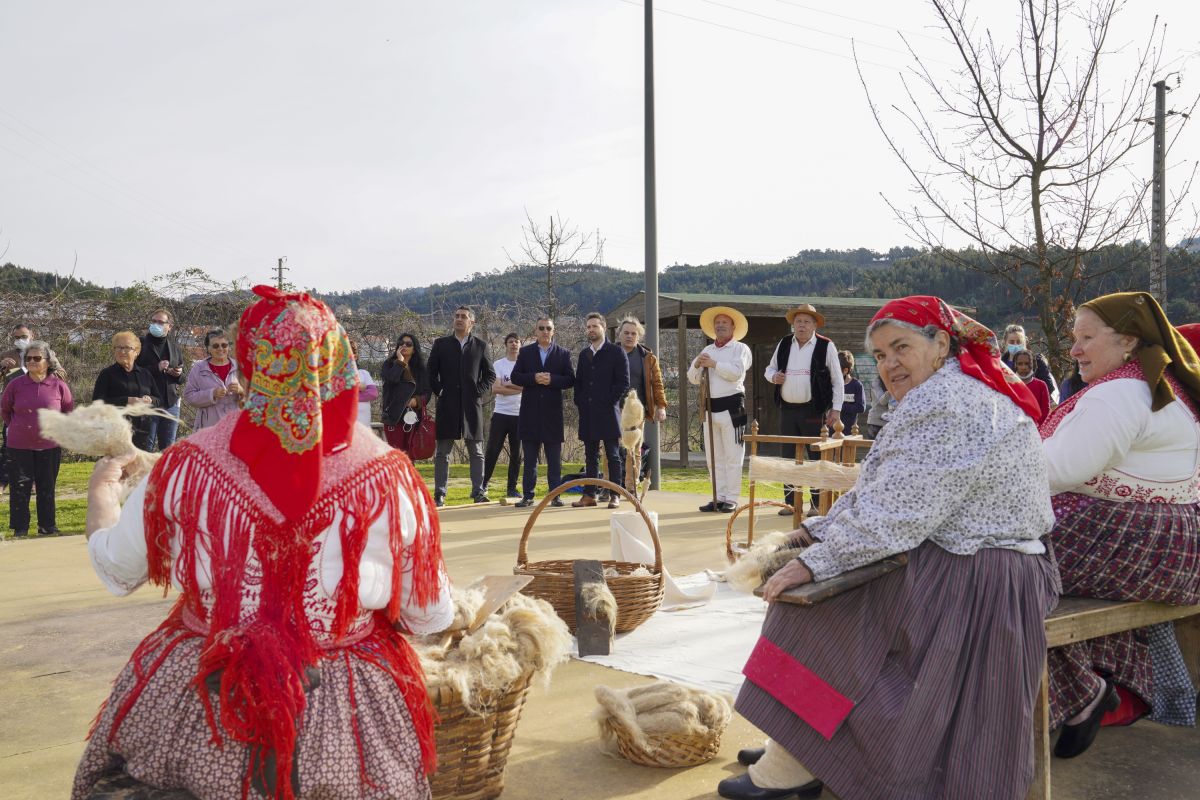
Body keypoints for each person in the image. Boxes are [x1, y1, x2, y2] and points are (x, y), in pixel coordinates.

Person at [73, 285, 453, 800]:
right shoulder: (389, 476)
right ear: (336, 361)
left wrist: (102, 495)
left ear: (249, 368)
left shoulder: (187, 463)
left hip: (205, 698)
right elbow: (429, 615)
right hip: (344, 711)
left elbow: (118, 571)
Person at [720, 295, 1058, 800]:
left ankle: (797, 761)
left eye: (901, 347)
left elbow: (898, 518)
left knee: (817, 610)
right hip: (966, 556)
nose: (889, 364)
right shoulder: (946, 392)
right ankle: (802, 745)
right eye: (879, 355)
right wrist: (817, 530)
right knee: (819, 594)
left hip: (984, 572)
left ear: (941, 343)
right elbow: (884, 490)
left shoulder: (947, 403)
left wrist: (814, 563)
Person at [1040, 291, 1200, 759]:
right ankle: (1090, 689)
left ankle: (1074, 692)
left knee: (989, 565)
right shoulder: (1159, 386)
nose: (1074, 350)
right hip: (1169, 547)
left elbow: (1052, 470)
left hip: (1128, 540)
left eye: (1086, 338)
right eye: (1073, 338)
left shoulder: (1121, 393)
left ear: (1129, 340)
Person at [764, 304, 843, 516]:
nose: (801, 325)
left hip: (814, 411)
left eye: (806, 321)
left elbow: (837, 380)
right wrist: (774, 377)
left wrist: (836, 409)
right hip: (787, 410)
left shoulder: (826, 346)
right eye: (798, 321)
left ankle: (816, 505)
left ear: (815, 324)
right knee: (789, 458)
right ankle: (790, 504)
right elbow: (769, 369)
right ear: (793, 324)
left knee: (815, 458)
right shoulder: (783, 344)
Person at [1, 341, 73, 536]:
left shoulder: (59, 385)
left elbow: (67, 411)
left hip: (50, 445)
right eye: (29, 358)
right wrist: (18, 427)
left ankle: (47, 526)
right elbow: (5, 410)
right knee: (19, 487)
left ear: (48, 362)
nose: (32, 361)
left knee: (46, 487)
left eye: (37, 358)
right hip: (19, 445)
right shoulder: (15, 384)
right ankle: (20, 528)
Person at [426, 306, 495, 506]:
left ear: (471, 322)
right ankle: (439, 494)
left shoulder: (480, 346)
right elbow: (430, 373)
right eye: (456, 316)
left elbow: (490, 375)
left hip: (472, 407)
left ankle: (478, 492)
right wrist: (439, 391)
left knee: (477, 452)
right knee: (442, 453)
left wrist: (478, 391)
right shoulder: (440, 344)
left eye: (463, 317)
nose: (459, 319)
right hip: (447, 406)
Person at [688, 306, 752, 514]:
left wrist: (714, 364)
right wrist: (698, 364)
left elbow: (736, 373)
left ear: (733, 326)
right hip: (710, 408)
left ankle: (732, 498)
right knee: (714, 458)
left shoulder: (740, 349)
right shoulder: (707, 350)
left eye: (725, 322)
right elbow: (692, 378)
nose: (721, 325)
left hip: (733, 406)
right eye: (718, 323)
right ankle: (718, 496)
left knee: (733, 455)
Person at [511, 317, 574, 508]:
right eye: (541, 328)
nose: (545, 331)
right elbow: (515, 377)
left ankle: (555, 495)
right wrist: (533, 377)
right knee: (529, 460)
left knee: (554, 460)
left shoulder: (563, 354)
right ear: (535, 331)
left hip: (553, 415)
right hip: (530, 414)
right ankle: (528, 495)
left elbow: (571, 379)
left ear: (553, 331)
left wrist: (552, 380)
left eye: (548, 328)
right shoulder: (525, 352)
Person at [572, 312, 630, 509]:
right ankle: (590, 495)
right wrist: (579, 401)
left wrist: (608, 401)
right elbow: (578, 382)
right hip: (588, 413)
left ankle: (615, 494)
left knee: (613, 455)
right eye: (588, 327)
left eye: (595, 326)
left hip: (608, 412)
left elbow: (623, 382)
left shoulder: (616, 352)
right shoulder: (584, 354)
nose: (591, 330)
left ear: (603, 327)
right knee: (590, 456)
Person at [617, 316, 667, 484]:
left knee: (636, 449)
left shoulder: (648, 357)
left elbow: (657, 383)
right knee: (612, 450)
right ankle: (611, 487)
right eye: (626, 333)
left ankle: (632, 485)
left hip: (637, 412)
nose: (630, 336)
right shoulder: (610, 354)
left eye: (633, 333)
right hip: (614, 409)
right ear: (619, 335)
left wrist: (661, 406)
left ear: (639, 336)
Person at [92, 332, 157, 451]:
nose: (122, 351)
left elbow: (159, 399)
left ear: (136, 352)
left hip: (142, 431)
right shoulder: (107, 374)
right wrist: (126, 401)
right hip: (115, 430)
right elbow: (97, 403)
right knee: (116, 467)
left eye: (126, 348)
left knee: (138, 468)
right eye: (118, 347)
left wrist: (150, 400)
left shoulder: (145, 374)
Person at [136, 309, 185, 451]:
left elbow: (182, 378)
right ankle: (144, 474)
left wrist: (178, 374)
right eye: (153, 321)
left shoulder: (175, 348)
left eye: (160, 322)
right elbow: (133, 372)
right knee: (145, 447)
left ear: (169, 326)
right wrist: (155, 368)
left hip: (170, 404)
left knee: (168, 449)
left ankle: (165, 473)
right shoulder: (140, 344)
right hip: (147, 402)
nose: (155, 324)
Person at [482, 333, 523, 501]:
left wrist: (508, 385)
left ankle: (511, 488)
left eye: (516, 341)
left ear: (520, 344)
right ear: (506, 344)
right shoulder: (499, 364)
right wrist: (518, 387)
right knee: (492, 451)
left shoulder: (525, 364)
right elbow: (496, 389)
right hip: (501, 414)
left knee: (516, 454)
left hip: (520, 415)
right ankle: (482, 486)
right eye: (510, 341)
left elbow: (526, 387)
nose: (513, 344)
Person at [182, 330, 244, 431]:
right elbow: (189, 396)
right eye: (215, 346)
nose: (220, 349)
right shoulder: (198, 368)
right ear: (208, 348)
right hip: (209, 427)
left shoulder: (240, 367)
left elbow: (256, 396)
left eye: (224, 345)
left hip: (235, 426)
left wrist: (241, 390)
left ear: (229, 347)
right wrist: (211, 394)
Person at [380, 333, 431, 455]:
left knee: (410, 454)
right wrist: (400, 362)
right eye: (401, 343)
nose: (404, 346)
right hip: (393, 417)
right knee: (396, 455)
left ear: (414, 349)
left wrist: (417, 401)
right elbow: (392, 379)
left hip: (413, 417)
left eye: (408, 344)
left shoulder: (421, 369)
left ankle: (408, 475)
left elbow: (427, 392)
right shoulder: (389, 364)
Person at [1002, 323, 1059, 401]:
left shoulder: (1037, 362)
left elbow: (1049, 387)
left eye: (1019, 342)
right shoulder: (999, 365)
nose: (1015, 345)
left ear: (1024, 342)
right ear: (1005, 342)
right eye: (1012, 342)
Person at [1011, 348, 1051, 423]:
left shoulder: (1041, 385)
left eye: (1027, 363)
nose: (1023, 367)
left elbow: (1045, 410)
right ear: (1015, 365)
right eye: (1020, 364)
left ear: (1033, 364)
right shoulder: (1009, 385)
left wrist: (1036, 426)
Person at [349, 340, 380, 427]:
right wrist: (358, 387)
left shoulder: (363, 373)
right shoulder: (335, 375)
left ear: (355, 356)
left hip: (363, 424)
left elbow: (373, 394)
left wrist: (349, 394)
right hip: (345, 423)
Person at [837, 350, 865, 433]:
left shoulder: (857, 385)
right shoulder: (831, 385)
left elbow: (861, 407)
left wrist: (840, 406)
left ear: (845, 370)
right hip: (831, 431)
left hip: (849, 432)